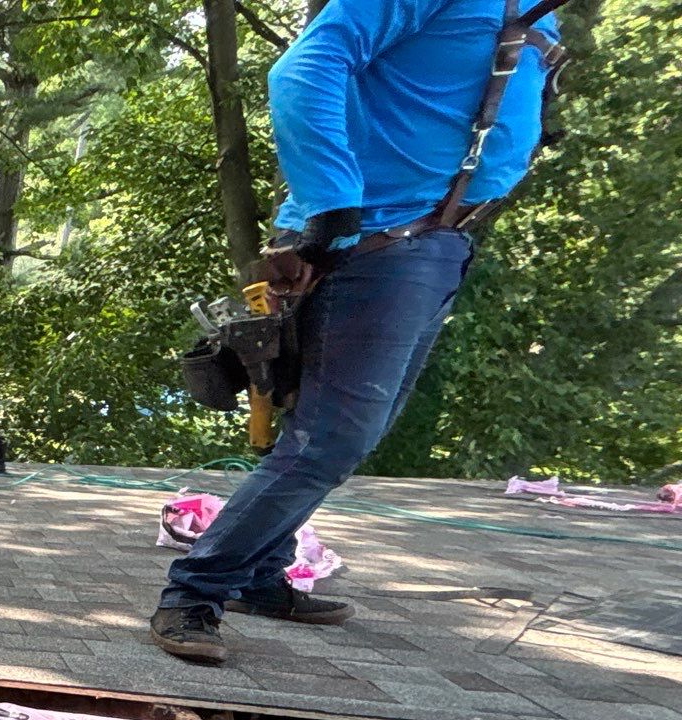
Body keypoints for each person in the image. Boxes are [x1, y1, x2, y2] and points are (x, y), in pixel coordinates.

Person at [150, 0, 563, 664]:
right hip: (373, 241)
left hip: (434, 240)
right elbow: (302, 67)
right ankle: (195, 591)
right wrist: (332, 199)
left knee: (330, 431)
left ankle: (260, 572)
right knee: (333, 436)